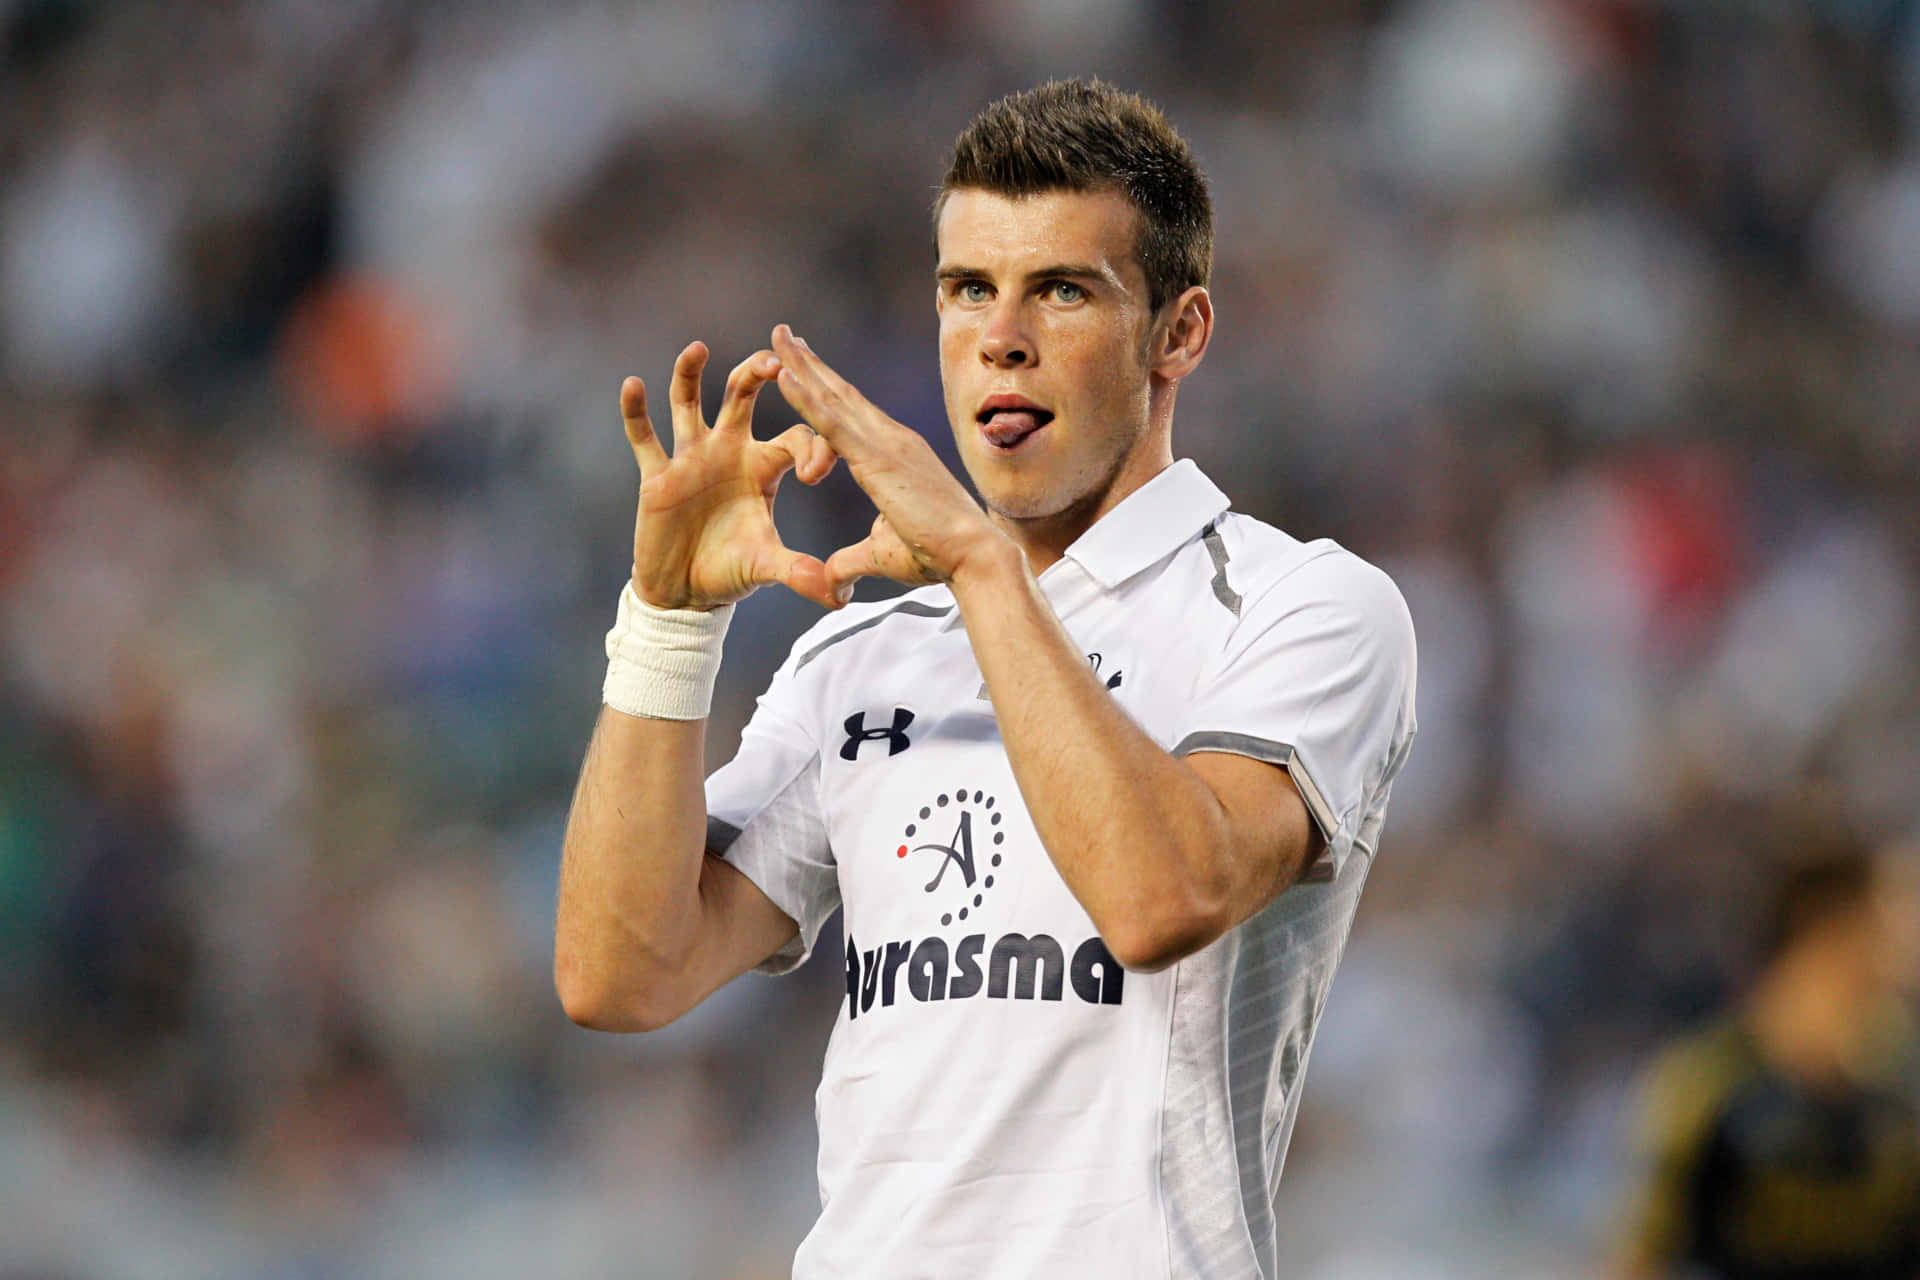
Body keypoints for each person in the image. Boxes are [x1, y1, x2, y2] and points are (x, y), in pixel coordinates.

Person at [555, 79, 1418, 1278]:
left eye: (1064, 289)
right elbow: (624, 970)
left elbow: (1161, 896)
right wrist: (666, 620)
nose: (1000, 336)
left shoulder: (1304, 607)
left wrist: (976, 563)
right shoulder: (864, 656)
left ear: (1180, 332)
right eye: (969, 289)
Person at [1614, 837, 1920, 1280]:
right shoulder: (1708, 1083)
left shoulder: (1901, 1086)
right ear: (1827, 930)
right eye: (1885, 918)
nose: (1902, 942)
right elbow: (1639, 1258)